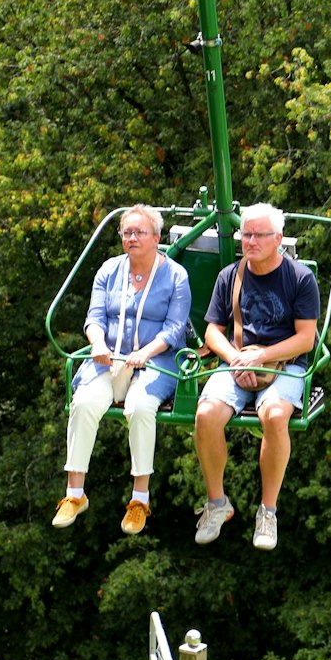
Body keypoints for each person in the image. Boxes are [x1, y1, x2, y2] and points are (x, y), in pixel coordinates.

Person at [56, 205, 192, 535]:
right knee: (85, 402)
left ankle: (139, 499)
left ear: (157, 238)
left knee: (140, 408)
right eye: (126, 233)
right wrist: (98, 343)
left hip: (154, 360)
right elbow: (95, 317)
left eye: (139, 232)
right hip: (109, 357)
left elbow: (175, 329)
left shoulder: (175, 276)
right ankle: (75, 493)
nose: (131, 239)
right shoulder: (109, 270)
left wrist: (145, 353)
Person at [193, 204, 321, 550]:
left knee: (275, 416)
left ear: (278, 239)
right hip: (237, 361)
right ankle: (217, 503)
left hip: (284, 363)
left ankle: (268, 511)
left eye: (258, 235)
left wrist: (261, 358)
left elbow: (305, 338)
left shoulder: (299, 278)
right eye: (245, 234)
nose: (250, 241)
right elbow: (212, 332)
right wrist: (236, 359)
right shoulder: (230, 276)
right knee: (205, 415)